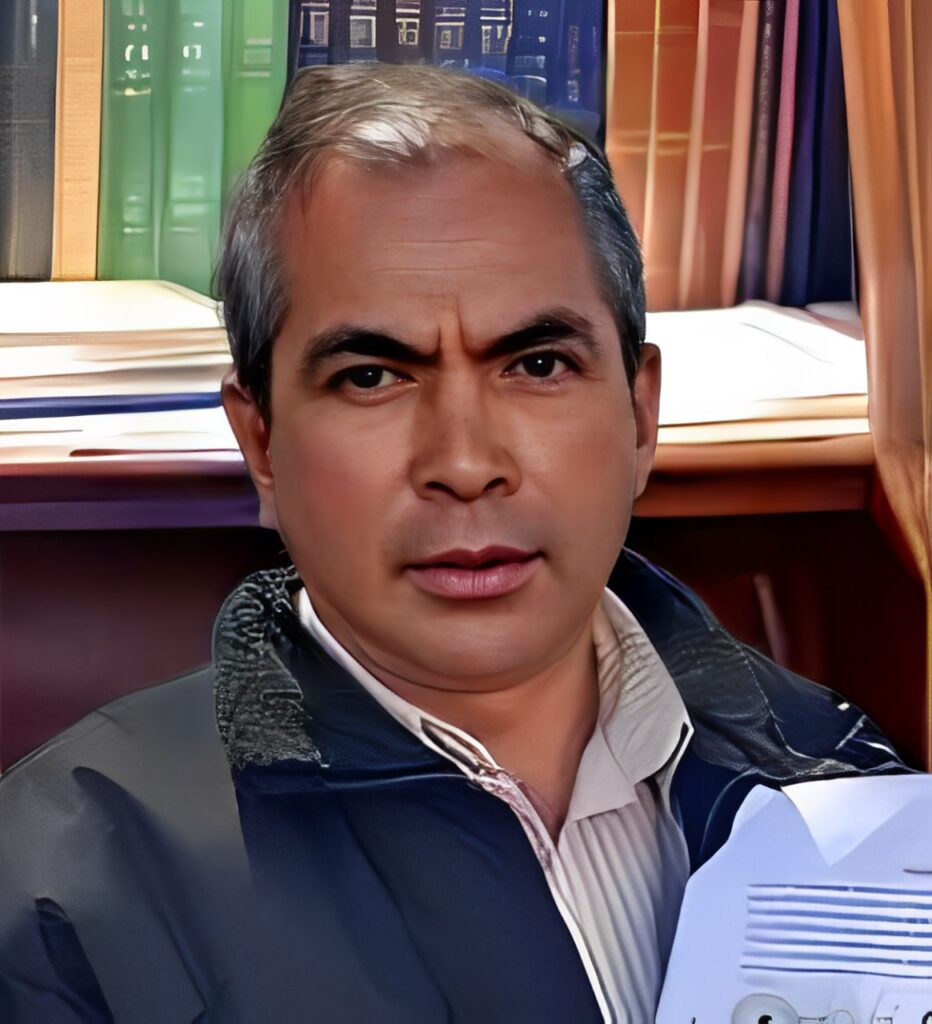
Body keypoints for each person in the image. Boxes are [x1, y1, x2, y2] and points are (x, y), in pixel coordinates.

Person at [0, 64, 904, 1023]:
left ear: (641, 418)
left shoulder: (846, 783)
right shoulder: (64, 898)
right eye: (372, 378)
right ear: (261, 441)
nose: (465, 464)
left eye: (538, 364)